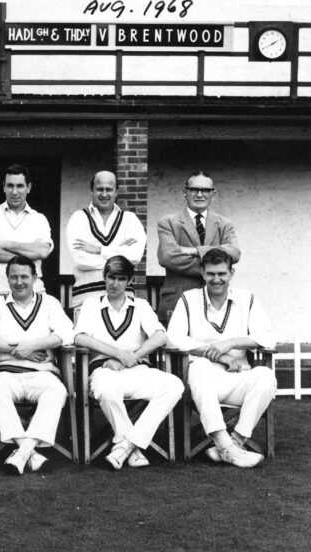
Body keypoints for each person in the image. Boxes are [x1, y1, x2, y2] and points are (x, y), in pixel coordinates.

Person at [167, 249, 276, 468]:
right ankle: (223, 443)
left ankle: (234, 443)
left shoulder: (246, 299)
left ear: (231, 272)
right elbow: (173, 337)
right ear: (202, 272)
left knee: (266, 376)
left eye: (221, 273)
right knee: (200, 367)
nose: (216, 279)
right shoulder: (189, 299)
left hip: (238, 377)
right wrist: (219, 354)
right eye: (210, 274)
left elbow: (268, 336)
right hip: (203, 383)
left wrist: (231, 343)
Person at [74, 256, 183, 470]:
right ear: (104, 277)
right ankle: (133, 447)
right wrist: (117, 354)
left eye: (121, 279)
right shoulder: (91, 305)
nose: (115, 284)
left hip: (137, 369)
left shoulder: (140, 305)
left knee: (174, 385)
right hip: (104, 370)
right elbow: (79, 338)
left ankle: (126, 444)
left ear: (129, 281)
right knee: (105, 390)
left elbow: (160, 336)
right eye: (111, 278)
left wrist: (129, 358)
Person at [0, 255, 74, 475]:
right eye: (14, 277)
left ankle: (22, 452)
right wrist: (16, 351)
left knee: (57, 391)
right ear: (7, 279)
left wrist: (32, 345)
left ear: (35, 278)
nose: (19, 282)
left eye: (24, 277)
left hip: (43, 373)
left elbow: (66, 334)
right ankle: (30, 451)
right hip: (5, 374)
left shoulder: (49, 303)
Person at [157, 171, 241, 323]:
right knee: (176, 345)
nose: (200, 195)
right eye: (194, 189)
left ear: (213, 194)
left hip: (215, 300)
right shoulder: (169, 222)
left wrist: (196, 251)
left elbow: (234, 252)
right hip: (177, 298)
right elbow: (168, 256)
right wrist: (215, 264)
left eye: (205, 190)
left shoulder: (224, 224)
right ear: (185, 192)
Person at [65, 170, 146, 314]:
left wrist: (99, 250)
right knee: (85, 337)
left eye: (109, 189)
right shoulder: (79, 218)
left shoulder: (130, 219)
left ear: (117, 191)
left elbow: (135, 256)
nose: (104, 194)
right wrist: (120, 254)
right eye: (99, 189)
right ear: (92, 190)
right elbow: (81, 260)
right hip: (86, 297)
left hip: (123, 299)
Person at [0, 164, 53, 313]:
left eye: (20, 186)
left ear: (29, 187)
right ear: (3, 187)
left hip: (32, 294)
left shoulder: (39, 219)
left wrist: (6, 243)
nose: (15, 191)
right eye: (10, 186)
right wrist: (27, 256)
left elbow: (43, 252)